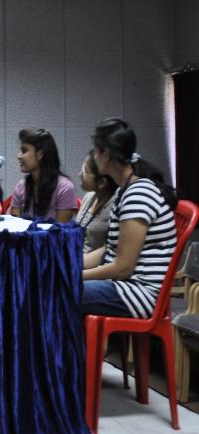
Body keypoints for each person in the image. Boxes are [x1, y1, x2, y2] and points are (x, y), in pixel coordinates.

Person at [82, 118, 177, 319]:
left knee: (57, 291)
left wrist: (75, 276)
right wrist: (72, 264)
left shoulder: (138, 194)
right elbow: (111, 249)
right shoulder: (125, 190)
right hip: (124, 285)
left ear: (106, 155)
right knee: (54, 284)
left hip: (139, 292)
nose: (94, 156)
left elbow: (123, 268)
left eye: (96, 151)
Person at [9, 128, 76, 222]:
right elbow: (14, 225)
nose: (19, 156)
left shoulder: (65, 188)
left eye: (24, 151)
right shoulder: (21, 186)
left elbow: (61, 229)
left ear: (40, 154)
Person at [76, 151, 117, 254]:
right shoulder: (89, 197)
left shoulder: (115, 205)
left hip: (93, 262)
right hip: (76, 257)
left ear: (102, 182)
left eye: (85, 171)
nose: (79, 174)